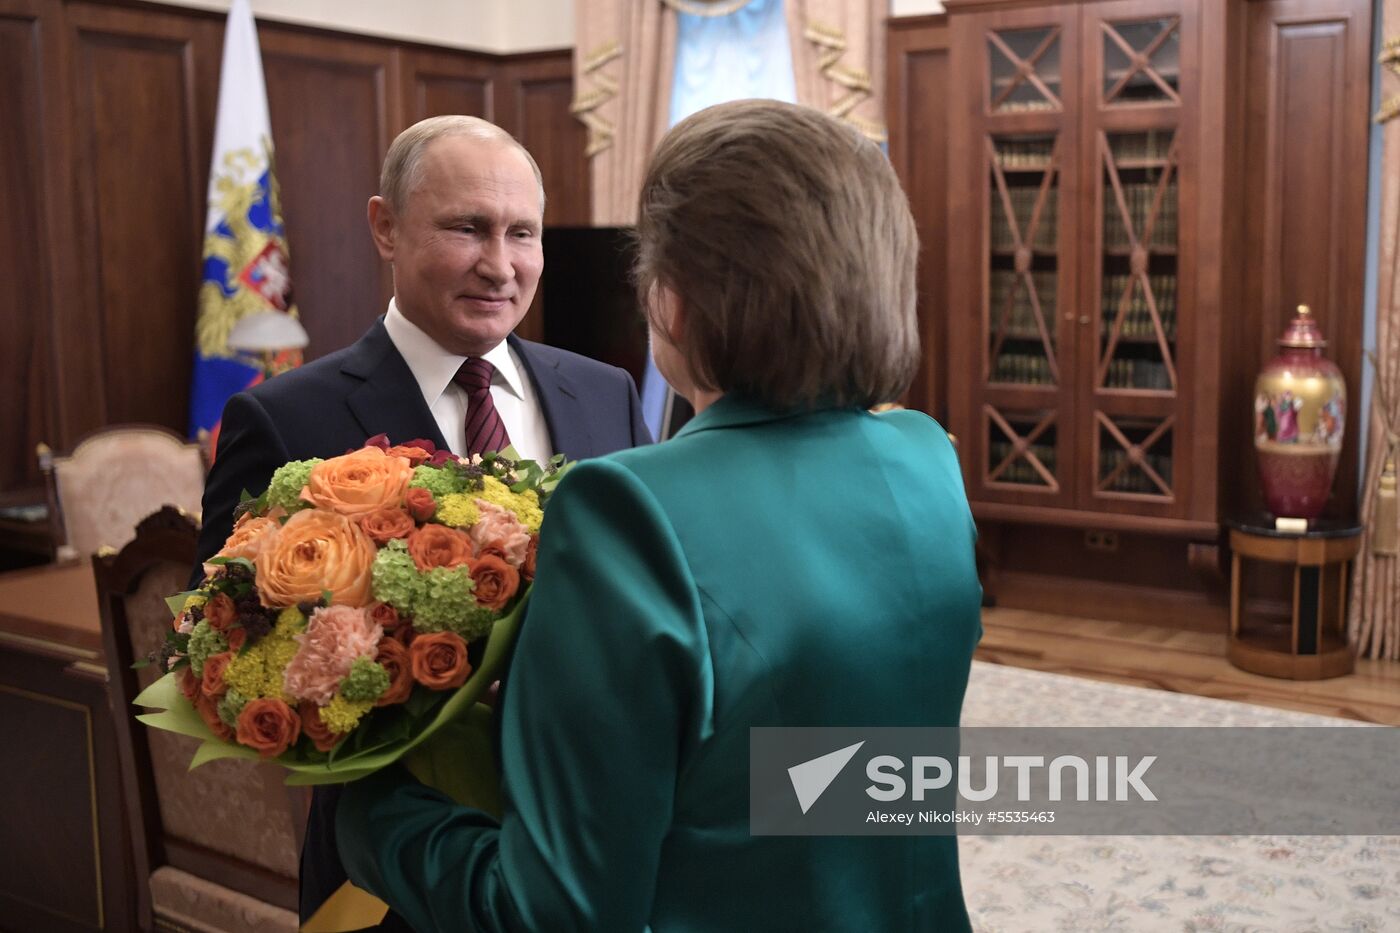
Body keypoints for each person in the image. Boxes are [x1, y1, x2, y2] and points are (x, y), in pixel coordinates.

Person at [336, 99, 981, 931]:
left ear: (672, 299)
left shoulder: (627, 510)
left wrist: (370, 810)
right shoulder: (929, 459)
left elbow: (551, 911)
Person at [194, 115, 651, 930]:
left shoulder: (607, 392)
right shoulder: (283, 419)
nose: (500, 264)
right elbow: (226, 649)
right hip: (388, 882)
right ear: (385, 228)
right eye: (467, 227)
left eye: (522, 233)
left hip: (592, 851)